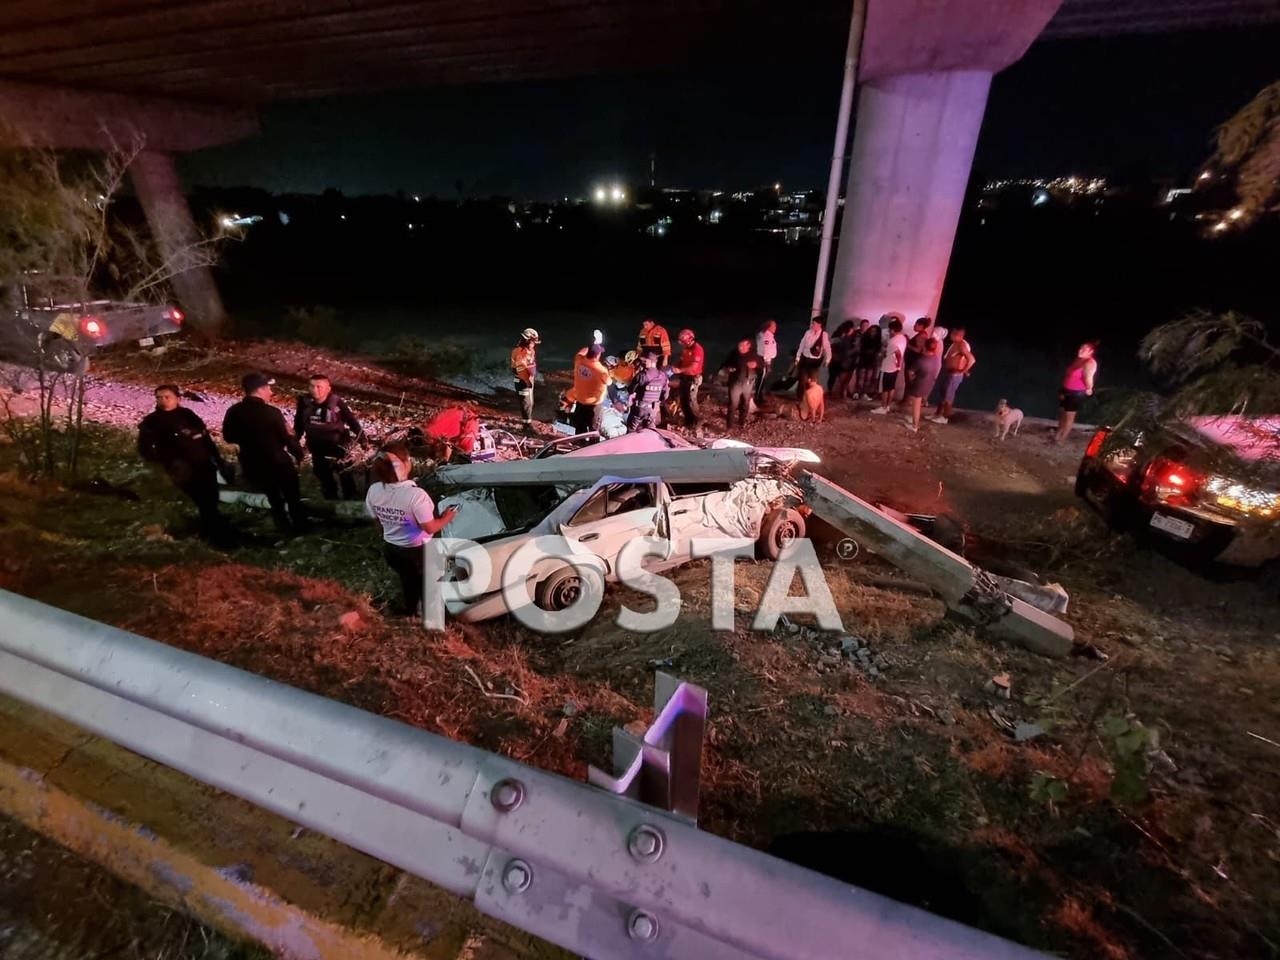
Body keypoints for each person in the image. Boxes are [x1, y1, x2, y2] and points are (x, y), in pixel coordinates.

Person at [365, 442, 458, 617]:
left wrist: (392, 531)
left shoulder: (373, 490)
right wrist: (447, 517)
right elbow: (430, 527)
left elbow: (376, 521)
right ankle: (431, 613)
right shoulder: (416, 496)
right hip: (418, 552)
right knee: (428, 582)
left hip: (392, 549)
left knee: (407, 580)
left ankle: (411, 611)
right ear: (405, 464)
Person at [138, 384, 234, 545]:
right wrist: (162, 464)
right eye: (159, 397)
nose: (163, 401)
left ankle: (216, 531)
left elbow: (206, 439)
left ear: (178, 399)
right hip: (180, 468)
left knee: (210, 500)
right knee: (200, 499)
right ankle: (212, 534)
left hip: (202, 464)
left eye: (167, 397)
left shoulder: (188, 415)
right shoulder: (152, 421)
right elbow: (145, 448)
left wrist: (218, 460)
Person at [223, 373, 308, 534]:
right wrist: (298, 455)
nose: (271, 391)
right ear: (260, 389)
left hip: (252, 464)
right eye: (268, 388)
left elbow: (228, 437)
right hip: (278, 462)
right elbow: (288, 437)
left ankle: (283, 527)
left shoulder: (233, 412)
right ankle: (301, 528)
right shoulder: (272, 412)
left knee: (273, 498)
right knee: (292, 497)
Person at [294, 374, 363, 501]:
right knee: (324, 477)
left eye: (319, 387)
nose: (315, 390)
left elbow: (352, 422)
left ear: (328, 388)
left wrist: (363, 439)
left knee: (345, 475)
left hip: (338, 446)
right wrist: (294, 442)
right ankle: (331, 501)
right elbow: (298, 423)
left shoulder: (337, 402)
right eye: (312, 386)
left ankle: (350, 500)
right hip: (317, 447)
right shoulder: (304, 402)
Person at [929, 327, 976, 424]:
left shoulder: (962, 345)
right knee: (943, 394)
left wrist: (963, 371)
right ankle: (938, 414)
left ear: (957, 334)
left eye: (953, 333)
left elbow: (971, 359)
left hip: (954, 375)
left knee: (948, 396)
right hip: (948, 372)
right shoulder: (956, 343)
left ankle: (945, 418)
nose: (950, 335)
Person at [1055, 341, 1099, 444]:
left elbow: (1089, 379)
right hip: (1066, 389)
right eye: (1080, 348)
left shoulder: (1089, 363)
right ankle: (1057, 435)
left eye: (1084, 349)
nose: (1080, 350)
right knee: (1062, 413)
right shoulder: (1079, 359)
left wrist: (1089, 389)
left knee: (1069, 416)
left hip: (1075, 393)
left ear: (1091, 352)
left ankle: (1062, 439)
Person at [569, 344, 611, 435]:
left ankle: (579, 445)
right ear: (598, 355)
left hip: (580, 401)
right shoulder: (601, 370)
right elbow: (609, 382)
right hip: (594, 406)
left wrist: (592, 345)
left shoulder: (579, 360)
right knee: (594, 430)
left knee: (580, 427)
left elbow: (581, 351)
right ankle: (592, 446)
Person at [719, 338, 760, 429]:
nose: (739, 347)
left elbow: (761, 366)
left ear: (748, 345)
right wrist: (728, 368)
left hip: (748, 383)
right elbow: (724, 364)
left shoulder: (754, 355)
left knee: (745, 402)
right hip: (735, 382)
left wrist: (756, 365)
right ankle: (729, 425)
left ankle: (742, 422)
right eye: (739, 345)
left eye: (742, 345)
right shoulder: (734, 354)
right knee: (733, 403)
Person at [904, 337, 943, 433]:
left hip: (919, 384)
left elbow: (910, 372)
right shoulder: (936, 358)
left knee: (916, 405)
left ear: (925, 347)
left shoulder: (921, 361)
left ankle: (914, 426)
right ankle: (914, 419)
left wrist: (911, 381)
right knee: (919, 403)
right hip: (929, 383)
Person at [871, 318, 907, 414]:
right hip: (895, 367)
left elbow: (895, 353)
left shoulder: (893, 341)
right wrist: (899, 365)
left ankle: (883, 407)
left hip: (888, 367)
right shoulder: (903, 338)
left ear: (892, 330)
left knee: (884, 388)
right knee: (891, 387)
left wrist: (881, 353)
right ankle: (888, 406)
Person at [673, 328, 705, 430]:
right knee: (683, 400)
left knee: (691, 400)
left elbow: (693, 367)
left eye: (683, 341)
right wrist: (675, 366)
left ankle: (697, 421)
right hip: (684, 377)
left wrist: (679, 370)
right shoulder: (686, 348)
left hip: (693, 378)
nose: (682, 343)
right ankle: (688, 420)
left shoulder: (697, 349)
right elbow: (682, 361)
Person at [627, 354, 669, 431]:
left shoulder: (642, 375)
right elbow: (665, 396)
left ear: (653, 362)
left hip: (639, 409)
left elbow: (630, 390)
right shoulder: (663, 376)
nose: (643, 362)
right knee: (650, 432)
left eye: (645, 361)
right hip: (653, 411)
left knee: (631, 431)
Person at [794, 316, 832, 396]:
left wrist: (828, 360)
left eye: (814, 324)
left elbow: (827, 348)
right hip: (805, 359)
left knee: (813, 381)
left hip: (815, 362)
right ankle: (800, 398)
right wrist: (798, 357)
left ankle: (810, 398)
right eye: (812, 323)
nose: (812, 325)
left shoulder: (824, 335)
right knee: (802, 380)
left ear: (819, 325)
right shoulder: (808, 332)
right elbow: (802, 344)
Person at [510, 328, 540, 429]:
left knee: (530, 401)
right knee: (526, 403)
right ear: (528, 340)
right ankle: (526, 425)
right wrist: (527, 381)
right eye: (533, 341)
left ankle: (527, 420)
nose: (534, 343)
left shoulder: (530, 351)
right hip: (522, 381)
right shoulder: (521, 353)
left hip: (528, 380)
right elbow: (521, 370)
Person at [855, 319, 881, 399]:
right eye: (872, 331)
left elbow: (878, 352)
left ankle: (864, 393)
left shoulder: (877, 341)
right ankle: (857, 393)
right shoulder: (864, 339)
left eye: (875, 331)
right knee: (860, 377)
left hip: (871, 362)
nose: (873, 333)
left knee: (868, 379)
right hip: (863, 360)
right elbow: (859, 348)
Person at [754, 319, 778, 405]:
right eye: (774, 326)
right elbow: (765, 350)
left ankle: (759, 396)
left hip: (765, 360)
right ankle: (757, 398)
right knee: (761, 379)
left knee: (762, 379)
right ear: (769, 327)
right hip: (764, 360)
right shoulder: (766, 336)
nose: (775, 328)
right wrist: (767, 361)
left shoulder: (767, 335)